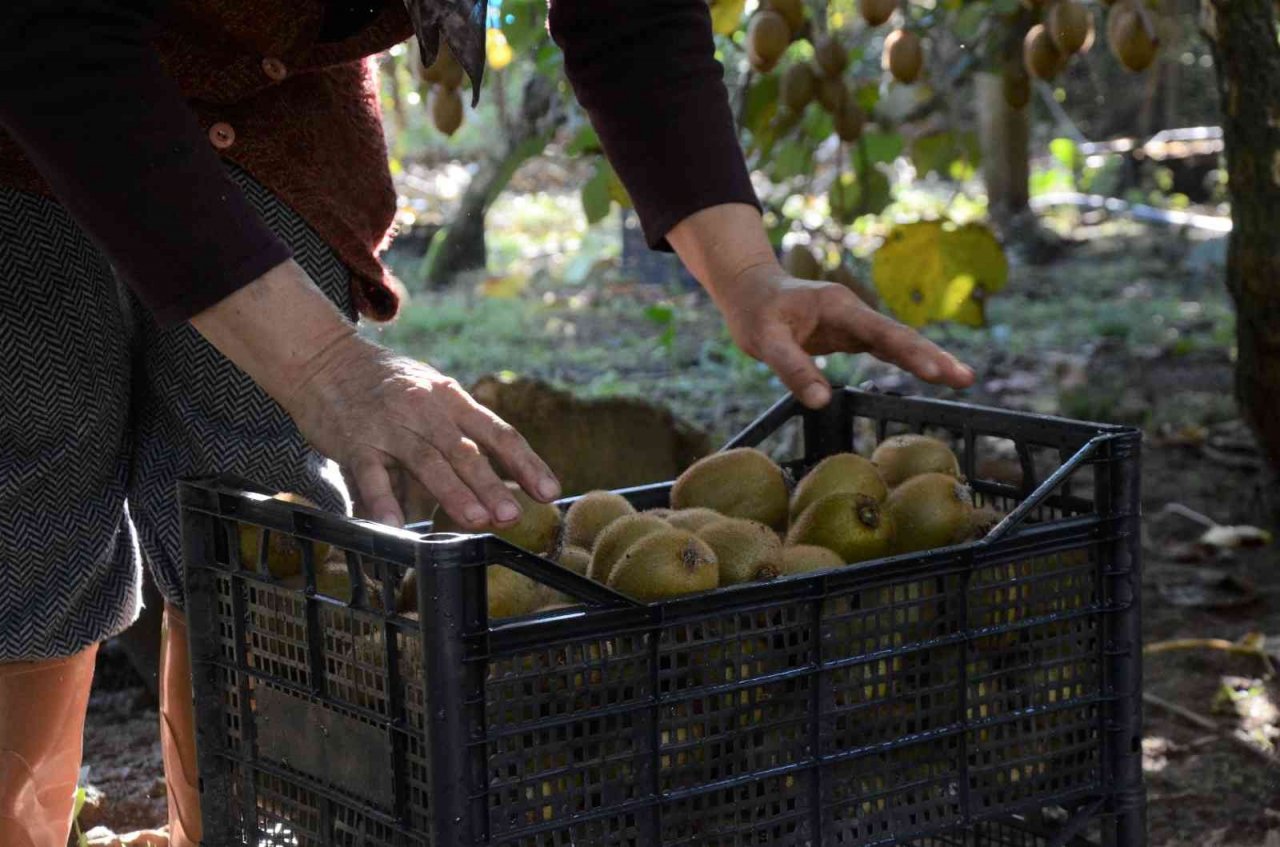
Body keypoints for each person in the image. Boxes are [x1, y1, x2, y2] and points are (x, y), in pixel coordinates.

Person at [0, 0, 975, 844]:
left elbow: (629, 16)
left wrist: (744, 270)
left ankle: (230, 827)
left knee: (266, 510)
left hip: (275, 110)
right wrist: (327, 363)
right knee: (30, 465)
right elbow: (54, 34)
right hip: (28, 96)